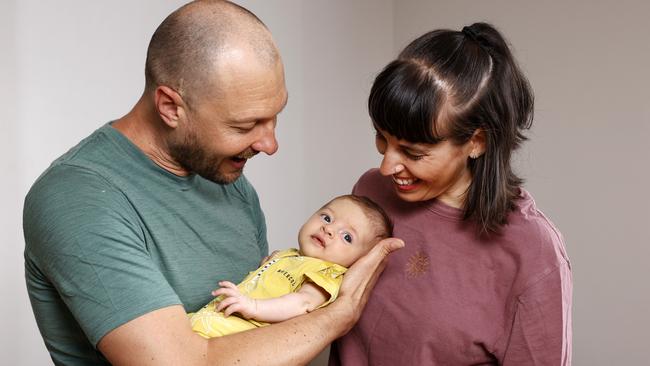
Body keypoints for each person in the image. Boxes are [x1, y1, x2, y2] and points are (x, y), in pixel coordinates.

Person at [22, 1, 403, 365]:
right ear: (171, 107)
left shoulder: (225, 178)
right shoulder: (78, 198)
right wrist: (339, 314)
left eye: (274, 116)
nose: (270, 145)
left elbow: (260, 329)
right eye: (245, 125)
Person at [330, 23, 572, 365]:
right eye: (382, 138)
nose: (386, 167)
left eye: (413, 153)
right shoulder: (370, 195)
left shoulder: (533, 254)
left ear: (477, 142)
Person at [190, 194, 393, 338]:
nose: (328, 228)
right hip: (206, 325)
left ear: (358, 260)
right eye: (327, 217)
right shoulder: (290, 255)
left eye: (347, 237)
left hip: (233, 336)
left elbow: (302, 303)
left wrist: (253, 307)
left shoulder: (327, 274)